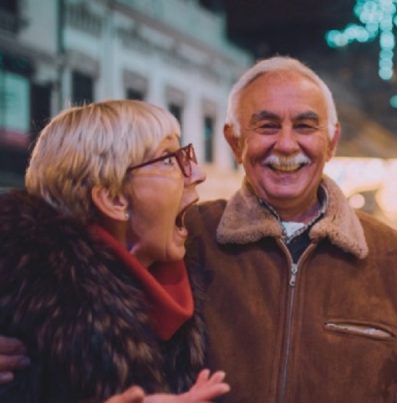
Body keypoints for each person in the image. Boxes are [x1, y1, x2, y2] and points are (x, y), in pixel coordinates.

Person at [181, 56, 397, 402]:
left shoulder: (394, 257)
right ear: (234, 140)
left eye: (304, 126)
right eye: (267, 126)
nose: (287, 145)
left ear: (331, 142)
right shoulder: (190, 238)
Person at [0, 100, 229, 401]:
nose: (197, 173)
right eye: (169, 159)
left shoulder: (184, 285)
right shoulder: (19, 305)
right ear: (114, 199)